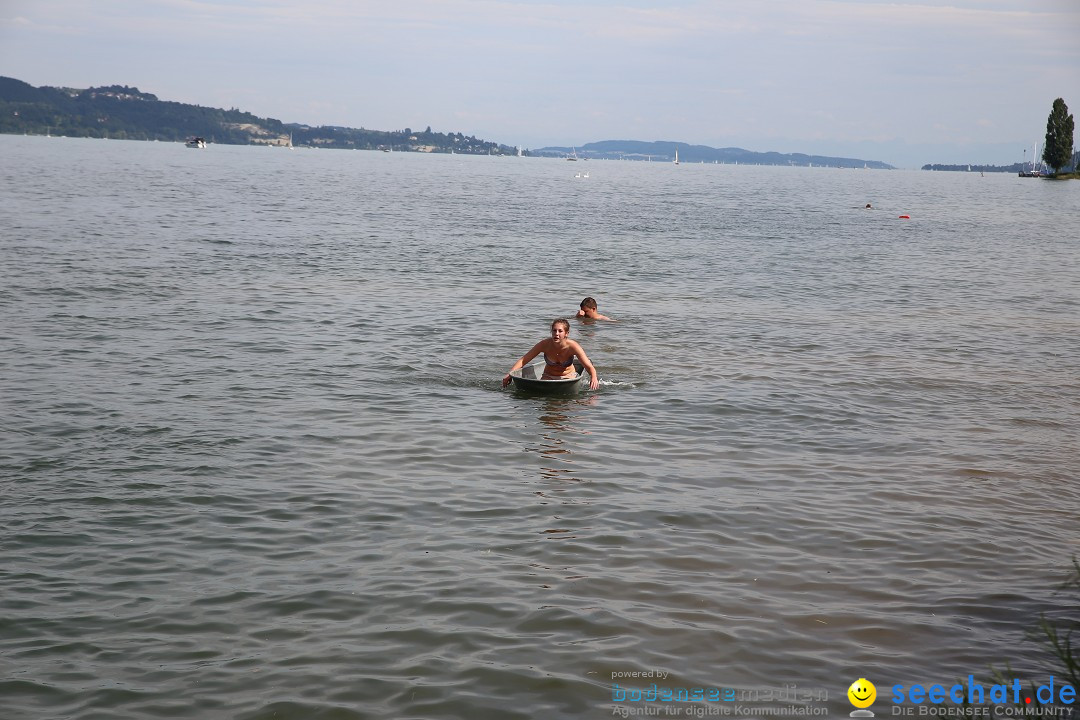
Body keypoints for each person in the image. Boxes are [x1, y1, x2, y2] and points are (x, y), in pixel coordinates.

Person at [503, 318, 600, 390]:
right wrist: (510, 374)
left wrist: (594, 377)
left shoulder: (573, 346)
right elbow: (524, 360)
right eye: (554, 330)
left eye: (560, 331)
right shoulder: (544, 344)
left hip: (568, 377)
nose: (556, 334)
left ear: (566, 333)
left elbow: (588, 366)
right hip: (548, 376)